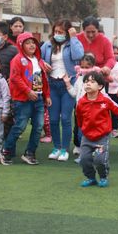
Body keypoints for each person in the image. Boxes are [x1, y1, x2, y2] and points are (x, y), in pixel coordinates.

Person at [1, 32, 52, 166]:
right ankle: (6, 150)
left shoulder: (38, 60)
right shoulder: (17, 59)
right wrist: (27, 91)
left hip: (38, 98)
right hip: (23, 99)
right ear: (20, 45)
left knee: (38, 126)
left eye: (33, 42)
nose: (31, 45)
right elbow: (15, 78)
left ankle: (30, 153)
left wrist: (46, 95)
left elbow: (42, 79)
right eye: (27, 43)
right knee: (19, 126)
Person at [76, 72, 118, 188]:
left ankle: (103, 177)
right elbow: (79, 116)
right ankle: (91, 178)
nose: (88, 84)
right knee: (84, 159)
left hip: (101, 137)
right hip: (87, 136)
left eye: (92, 82)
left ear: (100, 86)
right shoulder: (81, 102)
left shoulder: (105, 100)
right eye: (86, 82)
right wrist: (82, 128)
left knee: (99, 159)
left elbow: (117, 109)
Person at [41, 19, 84, 162]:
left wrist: (74, 37)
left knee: (66, 118)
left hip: (68, 84)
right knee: (53, 119)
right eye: (56, 32)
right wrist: (43, 64)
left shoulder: (72, 44)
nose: (57, 34)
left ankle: (65, 149)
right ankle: (56, 147)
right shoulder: (47, 45)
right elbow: (38, 60)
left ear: (67, 33)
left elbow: (78, 56)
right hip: (52, 84)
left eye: (61, 32)